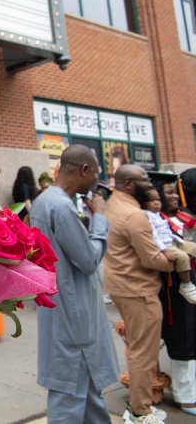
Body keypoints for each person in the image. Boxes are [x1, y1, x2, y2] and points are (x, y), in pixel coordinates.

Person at [30, 144, 118, 423]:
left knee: (87, 391)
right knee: (71, 394)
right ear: (83, 170)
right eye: (96, 173)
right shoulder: (60, 206)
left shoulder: (46, 201)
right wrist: (100, 217)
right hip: (74, 316)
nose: (97, 180)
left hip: (65, 309)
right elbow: (90, 260)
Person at [104, 165, 174, 424]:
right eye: (145, 179)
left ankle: (139, 407)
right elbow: (153, 259)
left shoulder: (114, 204)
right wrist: (179, 260)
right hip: (139, 290)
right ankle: (140, 411)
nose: (150, 183)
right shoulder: (134, 215)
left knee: (137, 349)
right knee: (144, 353)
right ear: (130, 184)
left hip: (123, 286)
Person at [153, 171, 196, 416]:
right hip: (173, 290)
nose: (174, 197)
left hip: (191, 280)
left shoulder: (184, 217)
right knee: (183, 338)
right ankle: (186, 395)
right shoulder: (155, 221)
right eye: (168, 192)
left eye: (174, 191)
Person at [143, 188, 196, 303]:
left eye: (158, 199)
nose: (157, 202)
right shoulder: (146, 216)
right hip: (165, 248)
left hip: (173, 242)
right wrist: (164, 250)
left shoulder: (161, 214)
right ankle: (186, 285)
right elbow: (155, 236)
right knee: (183, 257)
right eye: (169, 193)